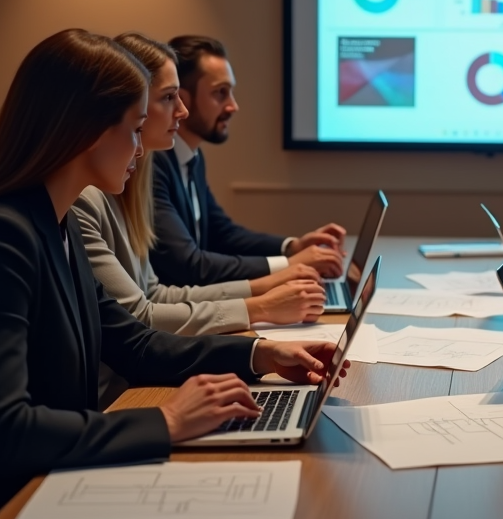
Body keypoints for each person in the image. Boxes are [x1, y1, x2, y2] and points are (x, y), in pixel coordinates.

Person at [0, 30, 348, 519]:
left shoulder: (53, 221)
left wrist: (262, 354)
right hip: (2, 508)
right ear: (90, 132)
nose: (142, 151)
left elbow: (135, 344)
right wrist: (166, 420)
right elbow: (4, 431)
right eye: (136, 127)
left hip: (59, 475)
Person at [72, 34, 327, 405]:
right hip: (120, 395)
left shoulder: (133, 181)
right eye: (166, 98)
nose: (182, 112)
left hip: (134, 383)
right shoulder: (87, 201)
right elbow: (146, 312)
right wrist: (262, 304)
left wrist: (259, 343)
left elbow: (156, 291)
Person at [150, 34, 346, 286]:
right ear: (182, 99)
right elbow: (189, 266)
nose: (233, 106)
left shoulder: (190, 156)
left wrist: (292, 247)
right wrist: (291, 264)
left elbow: (223, 233)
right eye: (220, 93)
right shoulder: (154, 166)